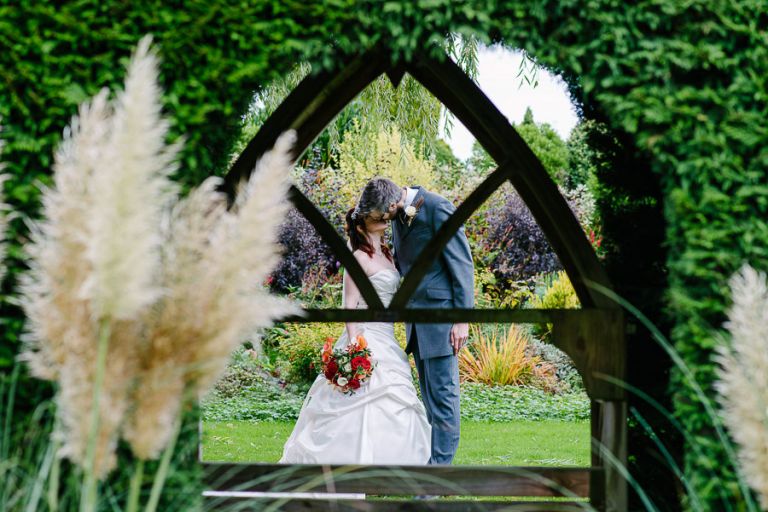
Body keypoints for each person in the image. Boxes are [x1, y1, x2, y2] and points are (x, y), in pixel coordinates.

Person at [279, 204, 431, 465]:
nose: (385, 220)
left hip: (387, 336)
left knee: (395, 399)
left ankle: (390, 464)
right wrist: (354, 347)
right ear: (362, 225)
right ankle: (347, 460)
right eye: (377, 218)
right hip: (364, 335)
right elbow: (349, 307)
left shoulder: (387, 253)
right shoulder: (358, 258)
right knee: (360, 401)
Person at [353, 177, 473, 465]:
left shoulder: (437, 208)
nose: (383, 221)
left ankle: (436, 476)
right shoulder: (398, 216)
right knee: (431, 401)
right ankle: (433, 465)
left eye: (383, 216)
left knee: (443, 399)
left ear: (393, 204)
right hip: (416, 324)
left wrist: (462, 319)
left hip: (441, 319)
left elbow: (462, 263)